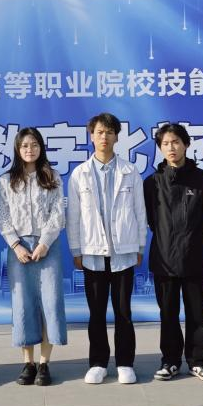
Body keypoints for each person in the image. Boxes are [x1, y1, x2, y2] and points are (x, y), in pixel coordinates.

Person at [66, 112, 147, 385]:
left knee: (123, 312)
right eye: (100, 132)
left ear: (116, 137)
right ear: (91, 136)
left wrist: (139, 246)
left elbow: (140, 212)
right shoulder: (79, 174)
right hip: (92, 254)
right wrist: (76, 250)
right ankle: (98, 363)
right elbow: (73, 216)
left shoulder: (130, 171)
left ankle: (125, 363)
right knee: (97, 313)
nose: (104, 137)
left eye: (109, 132)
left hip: (124, 252)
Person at [144, 123, 203, 382]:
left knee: (197, 314)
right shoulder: (152, 183)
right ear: (160, 148)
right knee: (168, 314)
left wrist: (188, 237)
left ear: (186, 144)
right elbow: (150, 219)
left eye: (175, 142)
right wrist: (169, 237)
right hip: (163, 258)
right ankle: (170, 361)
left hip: (194, 255)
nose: (171, 148)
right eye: (165, 143)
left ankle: (198, 361)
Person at [0, 127, 67, 386]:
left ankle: (45, 364)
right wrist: (15, 245)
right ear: (17, 149)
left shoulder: (52, 177)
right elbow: (2, 215)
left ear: (41, 148)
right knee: (23, 304)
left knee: (50, 302)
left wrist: (45, 243)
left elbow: (58, 213)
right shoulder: (6, 181)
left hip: (48, 246)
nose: (29, 149)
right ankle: (28, 363)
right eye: (24, 145)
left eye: (34, 145)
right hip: (20, 248)